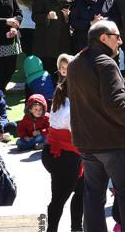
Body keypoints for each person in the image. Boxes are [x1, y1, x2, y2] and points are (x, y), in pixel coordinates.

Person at [68, 20, 125, 232]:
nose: (120, 42)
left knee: (93, 197)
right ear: (104, 38)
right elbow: (116, 105)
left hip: (87, 143)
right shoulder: (106, 63)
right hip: (113, 143)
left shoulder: (75, 63)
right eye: (117, 37)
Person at [42, 67, 85, 232]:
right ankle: (52, 230)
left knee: (80, 190)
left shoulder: (62, 99)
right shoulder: (72, 108)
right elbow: (81, 136)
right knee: (59, 199)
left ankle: (76, 228)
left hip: (59, 153)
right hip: (64, 156)